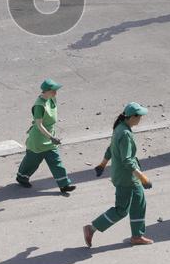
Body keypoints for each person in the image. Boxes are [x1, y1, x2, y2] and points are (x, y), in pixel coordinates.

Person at [83, 102, 154, 247]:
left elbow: (110, 149)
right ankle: (91, 228)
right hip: (126, 178)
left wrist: (102, 164)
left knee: (139, 203)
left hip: (124, 176)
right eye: (139, 116)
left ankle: (137, 236)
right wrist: (143, 178)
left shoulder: (119, 127)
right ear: (132, 117)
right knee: (121, 210)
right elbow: (127, 161)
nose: (141, 119)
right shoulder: (125, 134)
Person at [16, 79, 76, 194]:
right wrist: (51, 138)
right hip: (38, 140)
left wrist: (51, 137)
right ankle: (21, 177)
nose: (56, 93)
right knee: (32, 161)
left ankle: (64, 185)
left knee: (56, 161)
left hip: (49, 137)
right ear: (47, 91)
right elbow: (39, 125)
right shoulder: (39, 105)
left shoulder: (51, 99)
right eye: (53, 91)